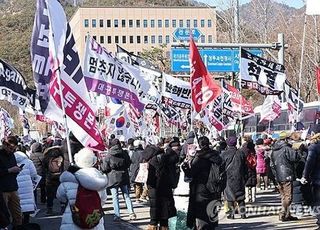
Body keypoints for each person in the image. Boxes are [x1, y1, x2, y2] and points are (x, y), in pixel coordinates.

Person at [57, 147, 108, 230]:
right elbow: (103, 199)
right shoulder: (99, 179)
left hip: (72, 218)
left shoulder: (69, 178)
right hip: (93, 219)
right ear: (93, 161)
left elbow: (60, 196)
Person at [183, 136, 223, 229]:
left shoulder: (200, 158)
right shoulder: (216, 156)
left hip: (201, 188)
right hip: (214, 187)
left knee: (201, 211)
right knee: (211, 208)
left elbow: (191, 173)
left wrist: (185, 167)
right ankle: (212, 226)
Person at [146, 138, 179, 230]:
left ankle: (153, 225)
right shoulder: (169, 160)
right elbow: (175, 161)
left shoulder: (152, 161)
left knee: (154, 211)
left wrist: (149, 186)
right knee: (165, 212)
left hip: (154, 188)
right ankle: (164, 227)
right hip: (166, 187)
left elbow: (150, 178)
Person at [102, 138, 136, 221]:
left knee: (115, 197)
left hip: (113, 177)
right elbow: (129, 163)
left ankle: (117, 215)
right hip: (123, 175)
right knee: (126, 195)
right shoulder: (124, 152)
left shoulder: (109, 154)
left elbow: (105, 168)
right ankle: (131, 213)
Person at [270, 131, 301, 222]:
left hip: (279, 176)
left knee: (283, 196)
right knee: (288, 197)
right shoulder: (286, 148)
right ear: (286, 139)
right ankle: (283, 212)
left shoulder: (274, 150)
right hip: (286, 174)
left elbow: (272, 165)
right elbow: (295, 157)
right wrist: (298, 150)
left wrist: (275, 176)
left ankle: (287, 214)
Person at [221, 136, 248, 219]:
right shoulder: (241, 153)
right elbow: (245, 166)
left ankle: (231, 214)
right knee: (240, 196)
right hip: (239, 177)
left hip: (228, 178)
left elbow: (221, 167)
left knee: (229, 197)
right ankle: (243, 214)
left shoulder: (224, 154)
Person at [0, 136, 23, 228]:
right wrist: (9, 170)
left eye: (14, 149)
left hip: (13, 186)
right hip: (2, 189)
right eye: (11, 148)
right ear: (5, 145)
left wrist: (17, 170)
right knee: (3, 214)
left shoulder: (12, 155)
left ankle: (18, 227)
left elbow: (13, 169)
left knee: (17, 213)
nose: (12, 151)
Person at [301, 128, 320, 229]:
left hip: (317, 178)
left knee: (317, 201)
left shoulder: (314, 147)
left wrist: (305, 176)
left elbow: (309, 163)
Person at [14, 151, 37, 224]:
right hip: (27, 186)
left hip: (15, 186)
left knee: (17, 204)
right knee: (27, 204)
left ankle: (19, 224)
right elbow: (34, 174)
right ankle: (26, 223)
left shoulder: (11, 162)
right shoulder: (28, 162)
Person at [42, 146, 65, 215]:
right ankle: (63, 208)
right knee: (61, 193)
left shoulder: (47, 157)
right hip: (60, 176)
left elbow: (44, 167)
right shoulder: (61, 157)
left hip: (49, 177)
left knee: (49, 195)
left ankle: (49, 209)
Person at [242, 137, 257, 203]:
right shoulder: (253, 147)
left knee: (246, 183)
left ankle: (247, 197)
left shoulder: (244, 148)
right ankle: (254, 197)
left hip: (246, 166)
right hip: (253, 166)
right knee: (253, 182)